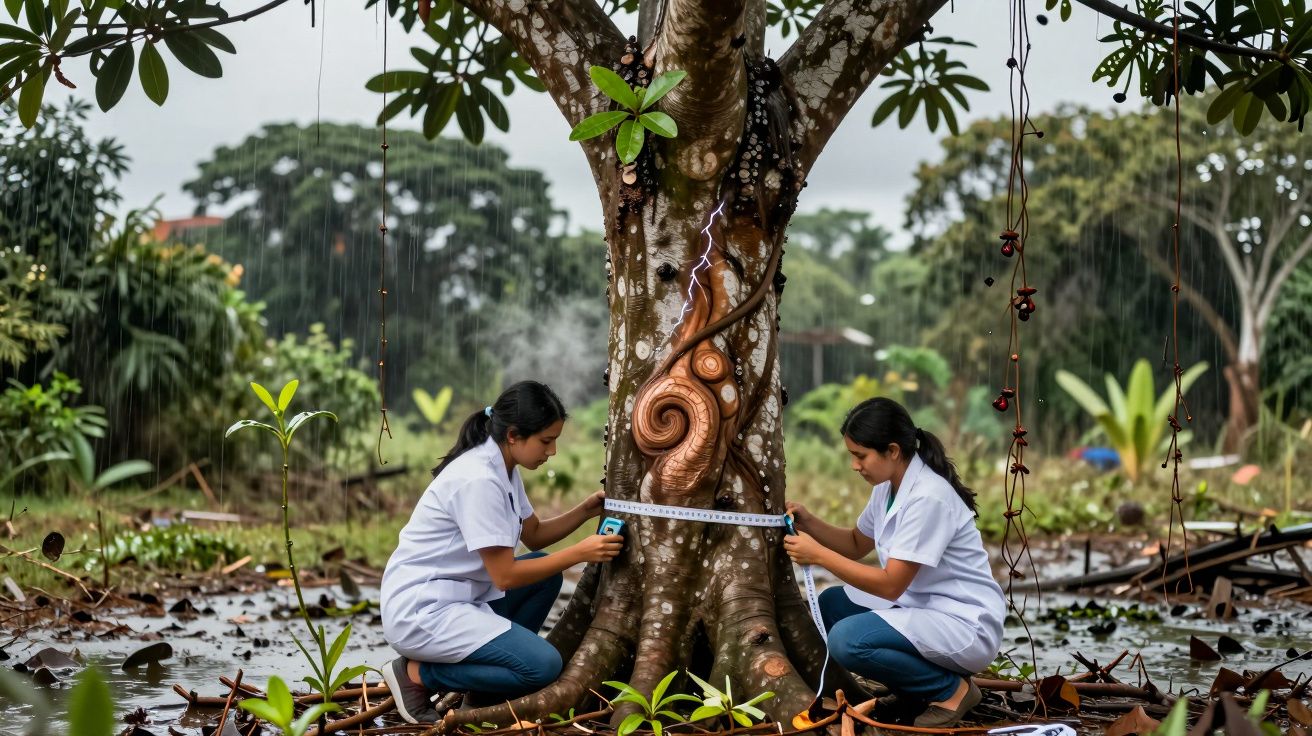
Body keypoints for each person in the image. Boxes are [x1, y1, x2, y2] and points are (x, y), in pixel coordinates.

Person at [379, 381, 624, 724]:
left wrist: (584, 511)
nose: (551, 451)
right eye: (546, 441)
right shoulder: (479, 479)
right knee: (544, 667)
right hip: (423, 612)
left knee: (544, 572)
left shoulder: (503, 468)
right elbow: (505, 575)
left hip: (458, 597)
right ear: (513, 436)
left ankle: (488, 686)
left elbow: (535, 536)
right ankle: (416, 675)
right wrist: (580, 553)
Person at [783, 397, 1005, 728]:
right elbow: (857, 544)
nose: (854, 465)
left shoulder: (928, 497)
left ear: (893, 451)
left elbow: (890, 585)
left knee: (847, 640)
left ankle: (950, 691)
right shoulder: (888, 487)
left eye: (860, 456)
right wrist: (809, 521)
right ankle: (912, 691)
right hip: (921, 605)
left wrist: (818, 555)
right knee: (831, 604)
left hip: (963, 621)